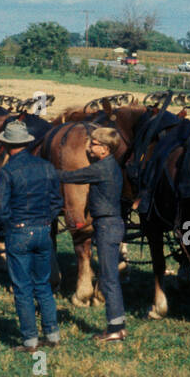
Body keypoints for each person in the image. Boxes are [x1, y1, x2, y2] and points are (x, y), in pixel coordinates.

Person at [0, 119, 63, 352]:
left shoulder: (6, 172)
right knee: (43, 284)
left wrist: (11, 227)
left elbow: (1, 210)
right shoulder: (47, 167)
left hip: (19, 231)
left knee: (22, 288)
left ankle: (30, 341)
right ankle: (52, 335)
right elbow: (57, 201)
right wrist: (45, 220)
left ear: (6, 145)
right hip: (43, 229)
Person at [57, 127, 129, 342]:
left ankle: (115, 329)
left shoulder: (101, 168)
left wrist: (44, 171)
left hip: (107, 226)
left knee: (109, 279)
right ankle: (118, 326)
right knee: (109, 277)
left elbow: (71, 176)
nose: (89, 148)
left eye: (93, 144)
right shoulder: (108, 165)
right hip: (109, 224)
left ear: (105, 149)